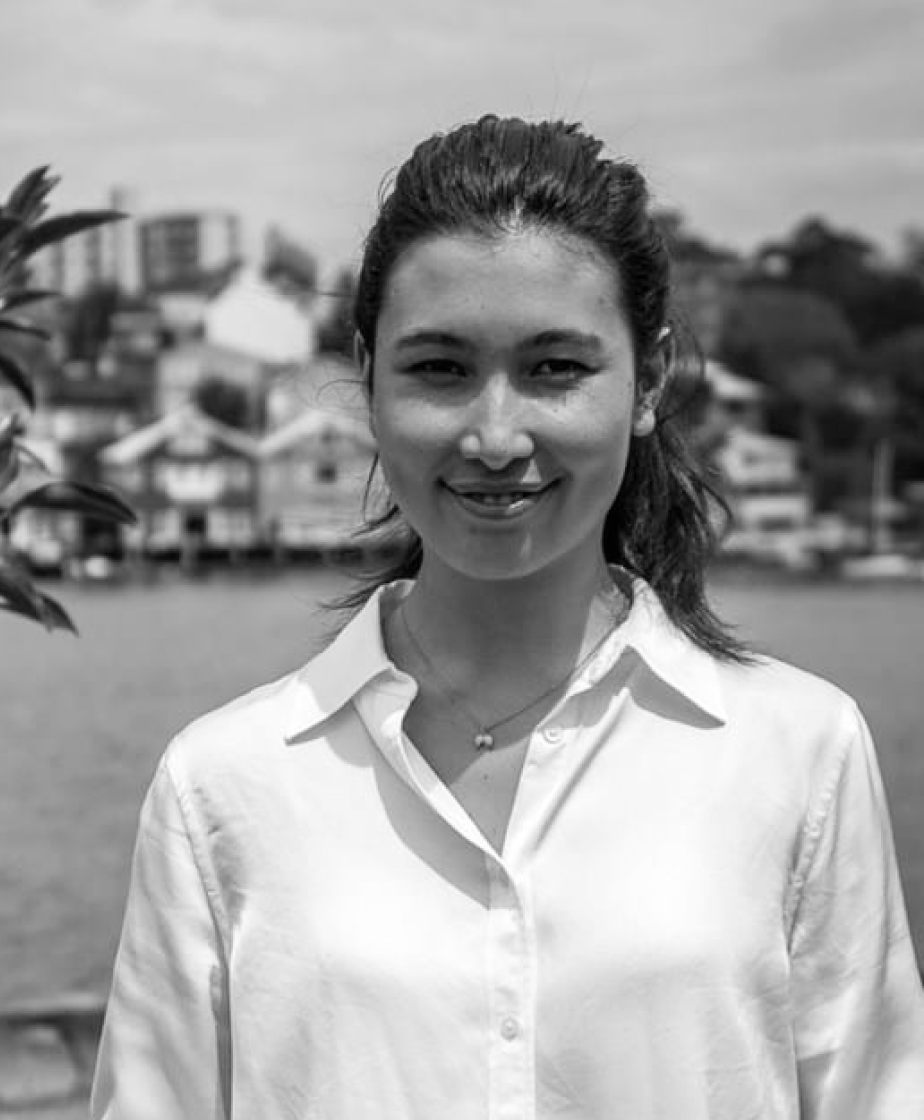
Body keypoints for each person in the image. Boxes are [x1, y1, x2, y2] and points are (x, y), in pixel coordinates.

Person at [91, 116, 924, 1118]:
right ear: (367, 378)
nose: (494, 436)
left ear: (648, 379)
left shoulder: (799, 753)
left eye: (553, 368)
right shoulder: (221, 785)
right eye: (439, 369)